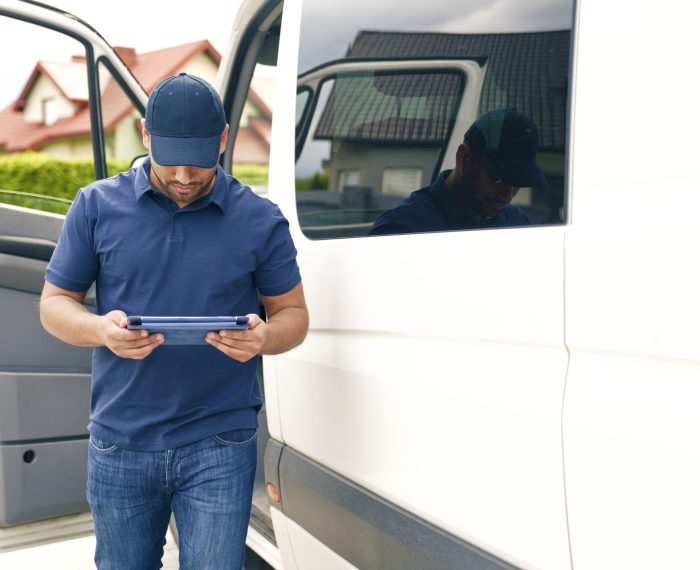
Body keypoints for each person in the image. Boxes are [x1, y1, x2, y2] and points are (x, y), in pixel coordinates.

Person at [39, 73, 308, 569]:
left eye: (200, 163)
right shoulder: (95, 206)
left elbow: (294, 316)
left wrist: (265, 337)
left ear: (224, 140)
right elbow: (54, 304)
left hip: (220, 443)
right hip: (120, 442)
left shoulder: (260, 220)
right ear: (145, 135)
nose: (185, 176)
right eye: (171, 162)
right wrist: (101, 329)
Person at [368, 108, 548, 235]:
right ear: (463, 157)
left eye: (517, 184)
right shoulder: (402, 229)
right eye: (497, 178)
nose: (507, 196)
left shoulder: (517, 223)